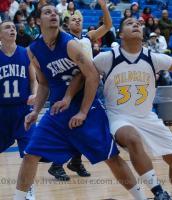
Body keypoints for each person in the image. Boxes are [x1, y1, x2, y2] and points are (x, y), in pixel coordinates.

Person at [13, 5, 150, 200]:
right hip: (57, 113)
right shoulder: (33, 50)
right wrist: (35, 111)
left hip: (87, 107)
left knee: (111, 158)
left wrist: (83, 112)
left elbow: (92, 75)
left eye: (55, 12)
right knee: (30, 155)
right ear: (37, 21)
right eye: (47, 12)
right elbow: (43, 83)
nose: (53, 14)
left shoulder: (70, 44)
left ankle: (141, 198)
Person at [91, 17, 172, 200]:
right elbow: (81, 75)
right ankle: (158, 192)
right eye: (130, 23)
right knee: (132, 138)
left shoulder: (153, 58)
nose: (136, 25)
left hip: (147, 117)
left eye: (138, 24)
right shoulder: (106, 58)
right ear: (121, 34)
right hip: (119, 116)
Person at [48, 0, 114, 181]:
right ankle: (56, 164)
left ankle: (75, 161)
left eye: (79, 19)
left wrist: (103, 6)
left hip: (88, 86)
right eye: (73, 19)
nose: (77, 21)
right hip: (68, 87)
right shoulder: (63, 39)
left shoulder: (88, 37)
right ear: (67, 24)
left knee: (82, 125)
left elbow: (108, 25)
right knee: (67, 127)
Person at [0, 20, 37, 200]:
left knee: (31, 152)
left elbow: (33, 79)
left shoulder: (25, 53)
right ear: (0, 35)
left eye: (13, 27)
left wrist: (35, 95)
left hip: (23, 111)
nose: (12, 29)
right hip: (2, 112)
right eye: (7, 27)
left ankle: (27, 188)